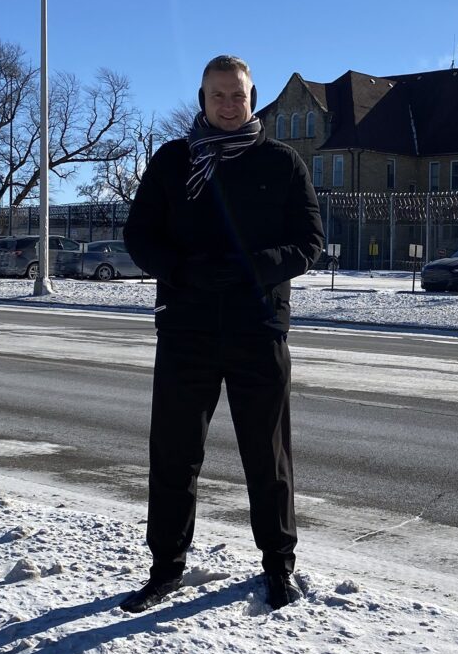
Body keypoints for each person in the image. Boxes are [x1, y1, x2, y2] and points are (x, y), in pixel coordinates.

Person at [119, 55, 324, 613]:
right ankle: (165, 568)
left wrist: (253, 266)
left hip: (258, 328)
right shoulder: (174, 161)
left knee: (268, 455)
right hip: (186, 328)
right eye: (218, 95)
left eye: (238, 95)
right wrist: (182, 270)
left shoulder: (280, 162)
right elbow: (139, 235)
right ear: (202, 98)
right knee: (174, 455)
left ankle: (279, 565)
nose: (229, 105)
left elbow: (310, 242)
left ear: (252, 98)